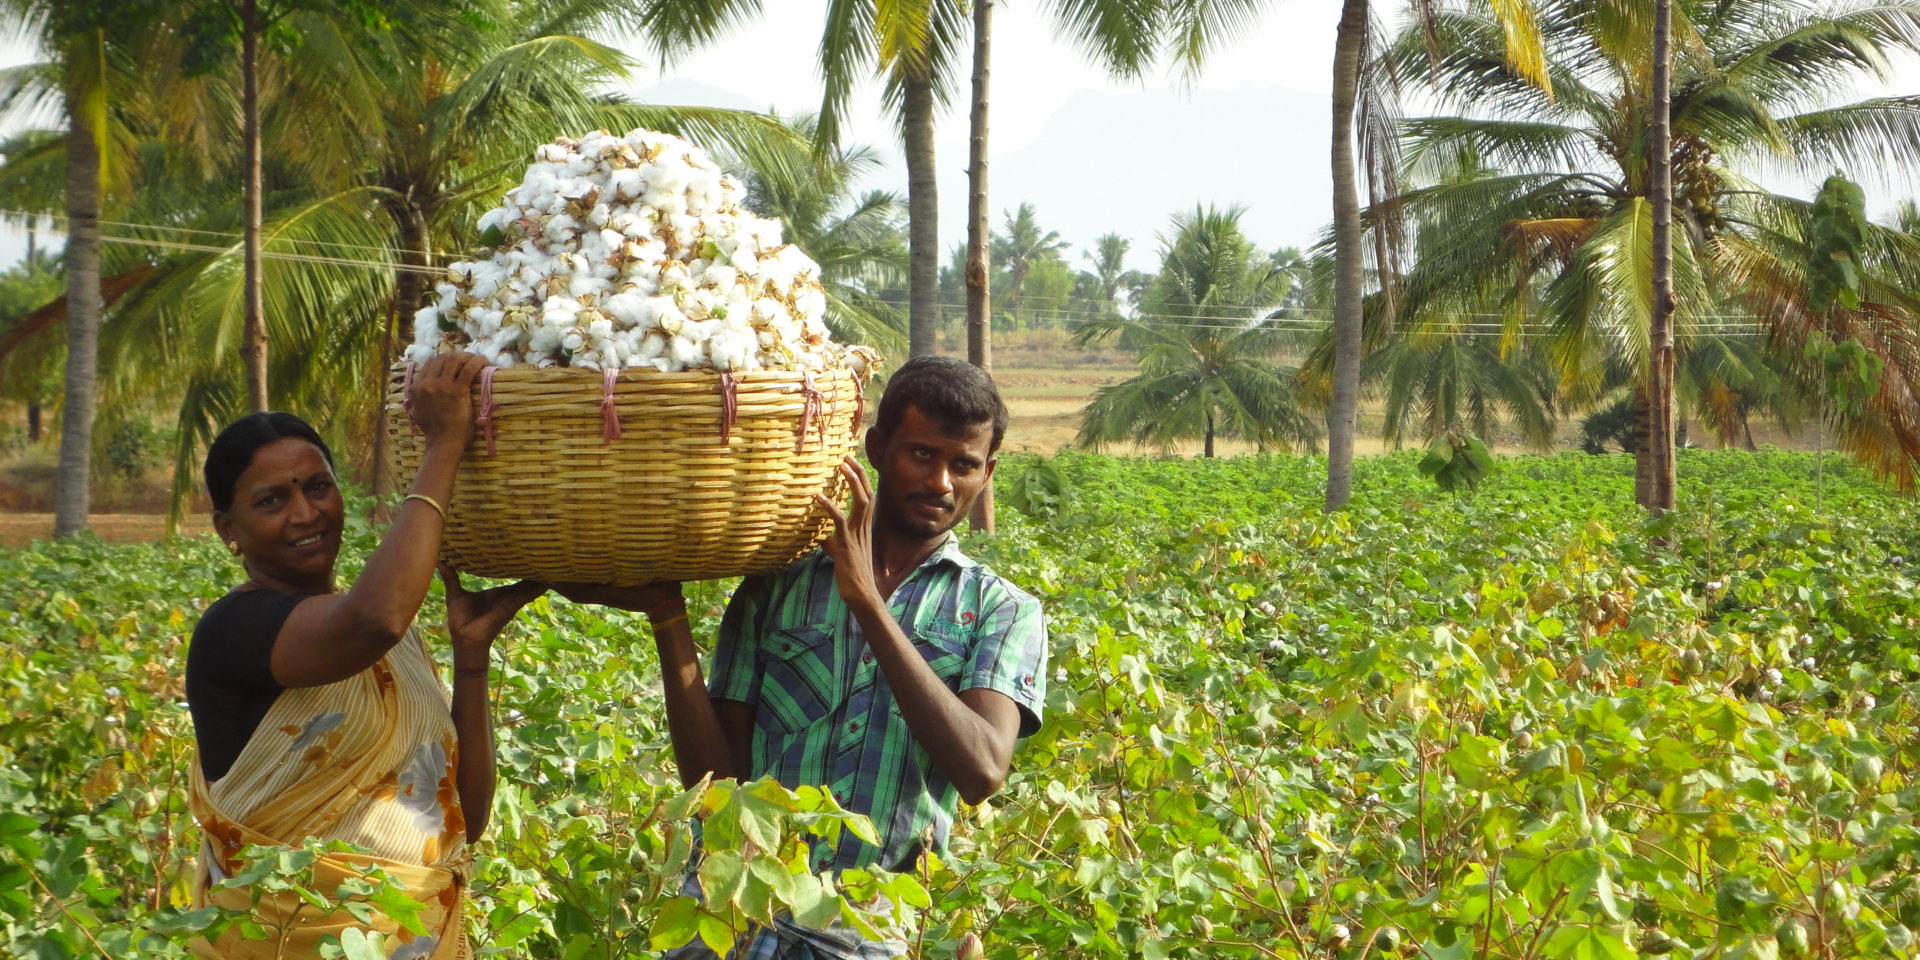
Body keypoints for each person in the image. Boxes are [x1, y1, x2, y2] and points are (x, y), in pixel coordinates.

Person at [561, 355, 1049, 959]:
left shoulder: (1002, 610)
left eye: (964, 464)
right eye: (922, 454)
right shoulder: (777, 584)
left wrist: (869, 605)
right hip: (735, 908)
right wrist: (668, 616)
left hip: (867, 928)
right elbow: (715, 779)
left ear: (987, 472)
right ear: (875, 447)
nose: (941, 483)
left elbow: (982, 769)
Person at [185, 354, 546, 959]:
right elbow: (375, 617)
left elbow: (462, 819)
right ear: (228, 528)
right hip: (290, 941)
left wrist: (472, 659)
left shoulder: (392, 640)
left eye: (317, 487)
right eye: (271, 501)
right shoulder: (234, 631)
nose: (306, 513)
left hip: (416, 932)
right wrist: (444, 443)